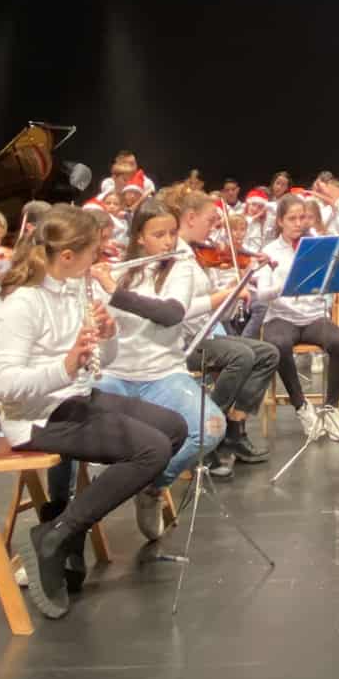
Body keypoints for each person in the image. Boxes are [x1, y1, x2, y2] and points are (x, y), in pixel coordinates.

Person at [0, 204, 187, 620]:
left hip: (73, 398)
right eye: (93, 253)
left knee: (173, 428)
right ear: (66, 257)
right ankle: (55, 536)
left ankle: (68, 537)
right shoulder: (21, 304)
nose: (98, 261)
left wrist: (107, 337)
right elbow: (5, 388)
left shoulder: (73, 289)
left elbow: (98, 359)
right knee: (150, 450)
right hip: (35, 418)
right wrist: (65, 366)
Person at [94, 195, 229, 534]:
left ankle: (154, 486)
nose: (169, 241)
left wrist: (113, 291)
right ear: (139, 236)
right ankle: (69, 520)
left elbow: (170, 315)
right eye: (159, 235)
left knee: (211, 426)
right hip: (115, 375)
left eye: (171, 233)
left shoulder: (180, 267)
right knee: (68, 423)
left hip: (163, 374)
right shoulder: (114, 271)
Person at [167, 187, 277, 466]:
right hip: (183, 342)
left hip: (204, 334)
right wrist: (224, 296)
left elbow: (216, 312)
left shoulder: (194, 256)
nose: (214, 229)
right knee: (242, 356)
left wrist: (235, 288)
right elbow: (181, 311)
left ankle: (234, 430)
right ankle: (209, 430)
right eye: (209, 221)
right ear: (190, 218)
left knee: (267, 354)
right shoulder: (175, 258)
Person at [251, 194, 339, 439]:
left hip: (313, 316)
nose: (298, 223)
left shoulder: (318, 247)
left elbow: (332, 279)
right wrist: (287, 285)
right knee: (278, 344)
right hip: (281, 317)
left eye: (302, 217)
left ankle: (331, 409)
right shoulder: (269, 251)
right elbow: (261, 295)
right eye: (292, 218)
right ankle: (301, 406)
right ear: (280, 221)